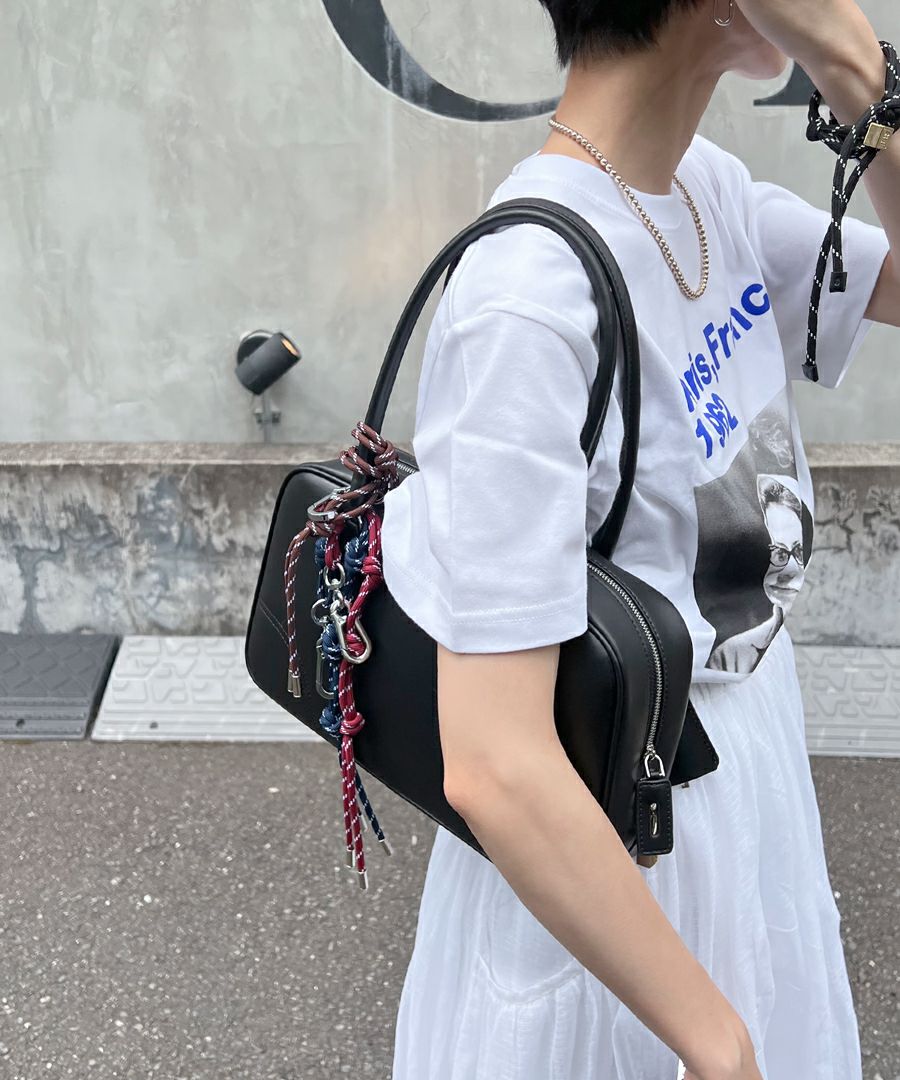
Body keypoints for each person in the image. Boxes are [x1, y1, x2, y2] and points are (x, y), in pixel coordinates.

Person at [380, 1, 899, 1077]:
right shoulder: (526, 300)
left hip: (745, 782)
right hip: (617, 853)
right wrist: (717, 1042)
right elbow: (495, 761)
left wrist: (864, 77)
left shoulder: (702, 191)